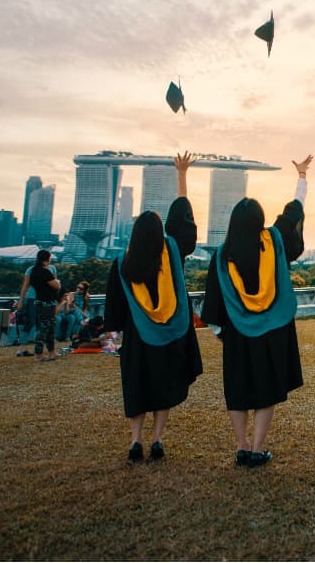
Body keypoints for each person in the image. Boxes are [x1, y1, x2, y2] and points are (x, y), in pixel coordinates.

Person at [201, 155, 312, 468]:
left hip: (237, 332)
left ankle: (242, 445)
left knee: (238, 391)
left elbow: (212, 303)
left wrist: (222, 332)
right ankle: (258, 449)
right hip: (272, 331)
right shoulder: (274, 239)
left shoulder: (222, 257)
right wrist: (302, 177)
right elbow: (293, 211)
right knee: (266, 390)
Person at [104, 152, 203, 463]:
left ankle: (136, 441)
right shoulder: (171, 251)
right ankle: (157, 440)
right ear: (161, 235)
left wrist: (115, 334)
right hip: (170, 335)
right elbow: (182, 219)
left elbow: (114, 311)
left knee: (138, 388)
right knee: (164, 387)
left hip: (138, 337)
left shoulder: (122, 264)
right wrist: (182, 175)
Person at [28, 250, 62, 361]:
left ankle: (51, 352)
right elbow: (57, 286)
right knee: (45, 329)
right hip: (47, 303)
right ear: (47, 259)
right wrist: (57, 281)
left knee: (46, 327)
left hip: (39, 301)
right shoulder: (45, 272)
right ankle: (39, 354)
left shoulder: (33, 271)